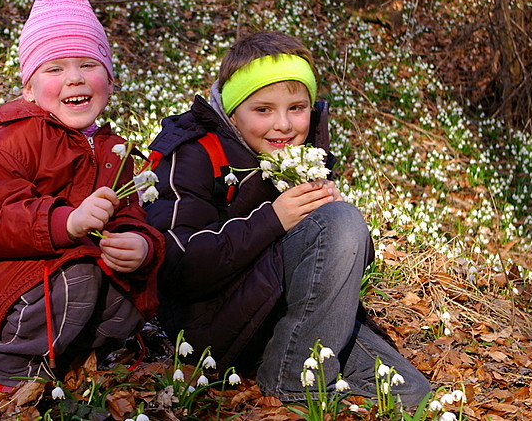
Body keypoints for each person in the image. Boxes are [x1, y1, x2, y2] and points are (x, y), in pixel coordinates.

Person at [144, 31, 430, 406]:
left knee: (411, 394)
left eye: (297, 108)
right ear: (232, 112)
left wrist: (339, 229)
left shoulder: (307, 154)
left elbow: (335, 266)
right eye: (263, 110)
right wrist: (275, 218)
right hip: (215, 332)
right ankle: (295, 386)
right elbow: (178, 266)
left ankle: (293, 374)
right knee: (339, 221)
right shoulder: (196, 153)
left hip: (291, 317)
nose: (283, 124)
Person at [0, 0, 164, 391]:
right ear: (29, 88)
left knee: (125, 287)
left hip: (43, 277)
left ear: (110, 79)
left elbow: (128, 214)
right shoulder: (13, 137)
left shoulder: (113, 148)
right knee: (80, 275)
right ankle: (7, 367)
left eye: (88, 64)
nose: (74, 78)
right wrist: (66, 223)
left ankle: (71, 356)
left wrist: (140, 245)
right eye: (54, 69)